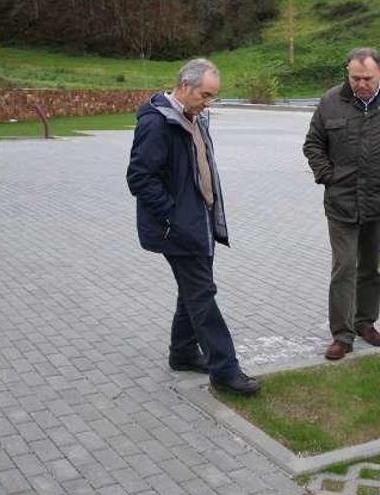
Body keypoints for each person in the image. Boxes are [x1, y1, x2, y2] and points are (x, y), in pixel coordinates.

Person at [126, 59, 260, 395]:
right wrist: (173, 216)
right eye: (205, 94)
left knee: (193, 291)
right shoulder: (157, 124)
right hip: (180, 229)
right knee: (202, 294)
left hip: (201, 222)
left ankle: (183, 352)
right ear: (185, 86)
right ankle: (225, 370)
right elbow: (139, 178)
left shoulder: (194, 118)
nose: (209, 102)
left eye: (213, 96)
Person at [303, 47, 380, 360]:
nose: (361, 84)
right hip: (341, 203)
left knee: (370, 267)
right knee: (344, 267)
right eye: (355, 77)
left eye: (367, 78)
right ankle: (342, 336)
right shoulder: (331, 101)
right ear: (348, 73)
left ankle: (365, 323)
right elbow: (313, 144)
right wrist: (328, 175)